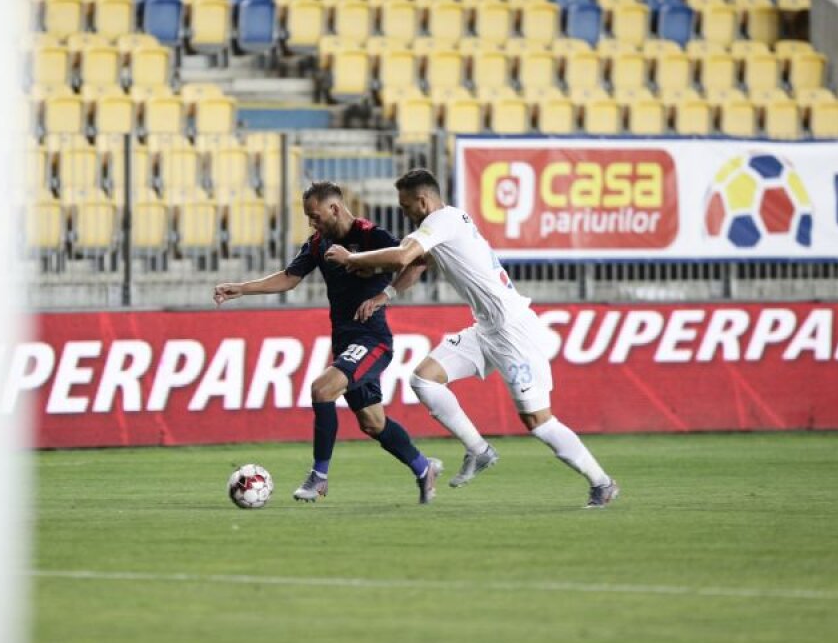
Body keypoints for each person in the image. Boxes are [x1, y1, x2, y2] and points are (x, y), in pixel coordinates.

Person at [324, 169, 620, 508]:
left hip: (513, 332)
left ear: (423, 201)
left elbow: (403, 255)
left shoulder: (444, 220)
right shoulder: (442, 227)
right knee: (424, 379)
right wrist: (385, 293)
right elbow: (419, 262)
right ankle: (479, 450)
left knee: (538, 421)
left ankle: (602, 482)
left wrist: (351, 257)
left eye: (407, 206)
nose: (405, 212)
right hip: (486, 329)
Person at [214, 181, 444, 504]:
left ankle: (319, 478)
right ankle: (424, 468)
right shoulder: (318, 244)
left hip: (372, 339)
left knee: (322, 388)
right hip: (346, 343)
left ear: (334, 208)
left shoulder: (371, 236)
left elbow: (419, 261)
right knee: (373, 422)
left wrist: (383, 296)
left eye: (315, 216)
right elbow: (289, 277)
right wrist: (241, 288)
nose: (312, 223)